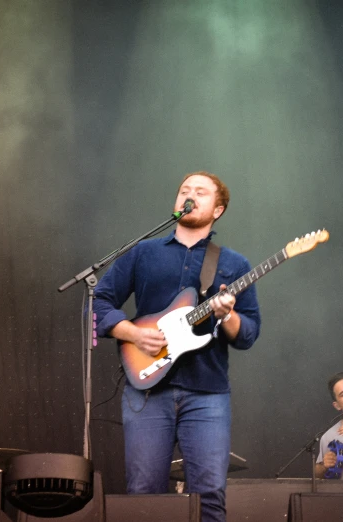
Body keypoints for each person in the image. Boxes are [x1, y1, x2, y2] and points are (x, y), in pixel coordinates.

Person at [93, 171, 261, 522]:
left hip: (208, 393)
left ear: (218, 210)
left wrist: (227, 315)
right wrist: (132, 333)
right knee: (143, 494)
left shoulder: (234, 264)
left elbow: (248, 333)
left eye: (200, 192)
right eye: (184, 190)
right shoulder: (143, 252)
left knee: (210, 494)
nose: (190, 195)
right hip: (147, 393)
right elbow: (99, 302)